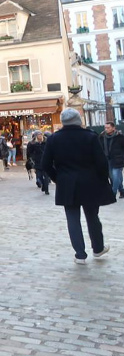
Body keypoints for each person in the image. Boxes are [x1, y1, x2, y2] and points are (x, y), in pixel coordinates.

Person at [41, 108, 114, 264]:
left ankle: (80, 254)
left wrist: (58, 178)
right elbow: (101, 162)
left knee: (72, 219)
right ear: (78, 120)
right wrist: (102, 179)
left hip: (67, 183)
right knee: (92, 216)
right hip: (90, 182)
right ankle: (98, 248)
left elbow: (45, 164)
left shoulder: (54, 139)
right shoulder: (90, 137)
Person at [98, 121, 124, 199]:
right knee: (113, 177)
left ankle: (113, 193)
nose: (106, 129)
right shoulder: (102, 137)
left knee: (116, 176)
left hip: (118, 159)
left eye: (108, 127)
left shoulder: (120, 137)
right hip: (107, 159)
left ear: (113, 128)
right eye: (105, 127)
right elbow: (99, 147)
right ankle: (122, 191)